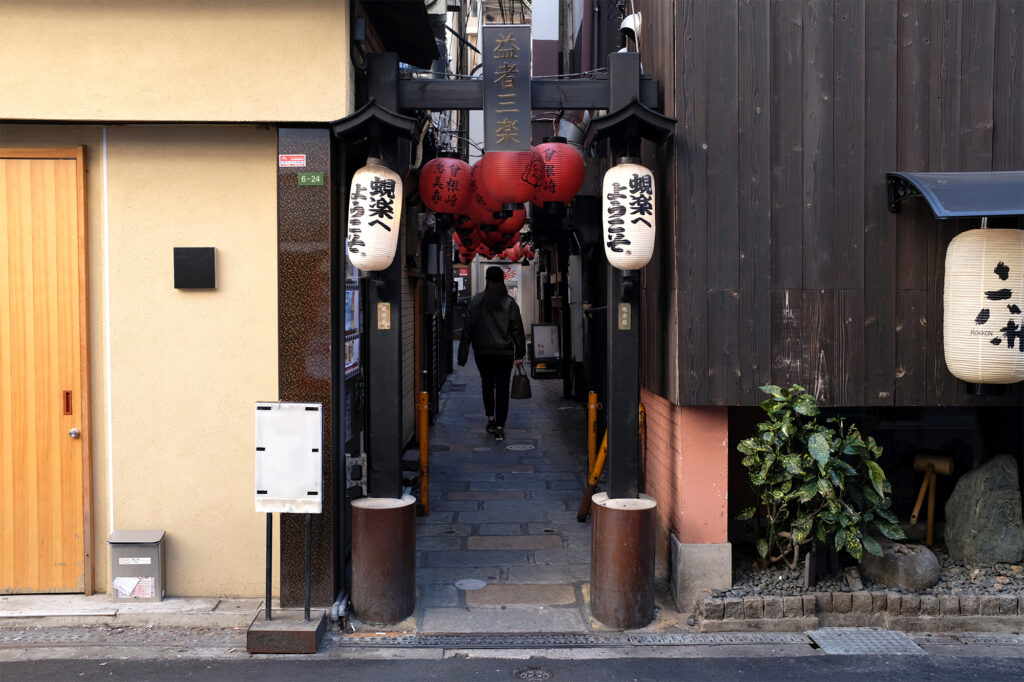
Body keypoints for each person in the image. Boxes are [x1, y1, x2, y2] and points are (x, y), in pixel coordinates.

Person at [457, 265, 526, 442]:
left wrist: (463, 355)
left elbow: (468, 328)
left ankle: (490, 420)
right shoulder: (510, 303)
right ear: (502, 281)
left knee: (487, 384)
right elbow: (517, 329)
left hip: (483, 351)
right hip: (504, 353)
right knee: (502, 387)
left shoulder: (477, 301)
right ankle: (500, 426)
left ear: (487, 280)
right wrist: (520, 352)